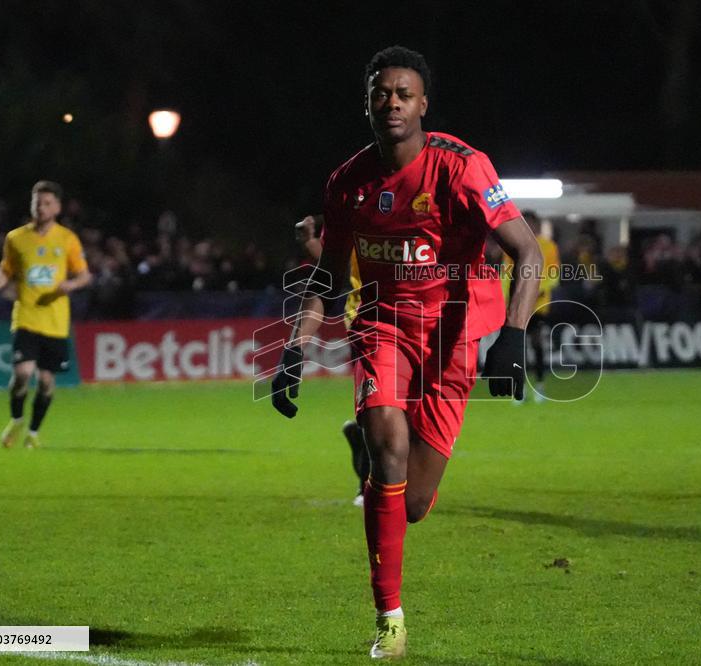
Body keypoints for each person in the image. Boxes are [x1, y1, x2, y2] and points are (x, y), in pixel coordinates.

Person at [270, 46, 541, 659]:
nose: (391, 102)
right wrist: (295, 350)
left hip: (455, 332)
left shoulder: (463, 166)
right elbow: (330, 280)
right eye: (380, 93)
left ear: (423, 104)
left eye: (403, 93)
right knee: (388, 445)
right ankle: (389, 619)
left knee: (413, 502)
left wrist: (517, 337)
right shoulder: (347, 183)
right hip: (384, 325)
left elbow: (530, 253)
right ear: (367, 104)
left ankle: (368, 453)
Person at [0, 181, 91, 449]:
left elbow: (85, 275)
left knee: (47, 382)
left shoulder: (67, 239)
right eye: (37, 202)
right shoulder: (16, 238)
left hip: (55, 321)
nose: (41, 207)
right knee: (22, 373)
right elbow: (6, 269)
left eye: (47, 203)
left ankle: (33, 432)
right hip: (26, 316)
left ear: (58, 207)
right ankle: (16, 419)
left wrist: (70, 285)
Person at [294, 214, 369, 505]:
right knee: (383, 415)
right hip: (367, 329)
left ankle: (361, 442)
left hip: (414, 327)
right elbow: (334, 262)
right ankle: (366, 486)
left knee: (403, 421)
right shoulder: (367, 224)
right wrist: (311, 241)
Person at [501, 210, 560, 401]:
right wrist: (505, 300)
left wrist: (535, 289)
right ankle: (520, 388)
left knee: (538, 344)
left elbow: (554, 274)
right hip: (519, 304)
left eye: (531, 224)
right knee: (519, 347)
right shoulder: (513, 244)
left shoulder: (548, 246)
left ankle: (540, 386)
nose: (529, 227)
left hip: (539, 304)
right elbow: (506, 273)